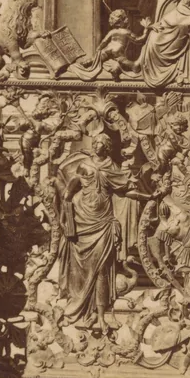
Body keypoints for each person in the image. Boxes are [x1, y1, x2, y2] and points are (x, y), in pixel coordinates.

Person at [53, 134, 142, 330]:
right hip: (82, 223)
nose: (96, 146)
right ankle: (84, 310)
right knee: (81, 269)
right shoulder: (84, 164)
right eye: (94, 143)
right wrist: (64, 217)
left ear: (107, 147)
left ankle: (101, 315)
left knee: (102, 270)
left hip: (103, 224)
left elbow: (124, 189)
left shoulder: (112, 167)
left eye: (100, 143)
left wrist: (146, 195)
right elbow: (68, 192)